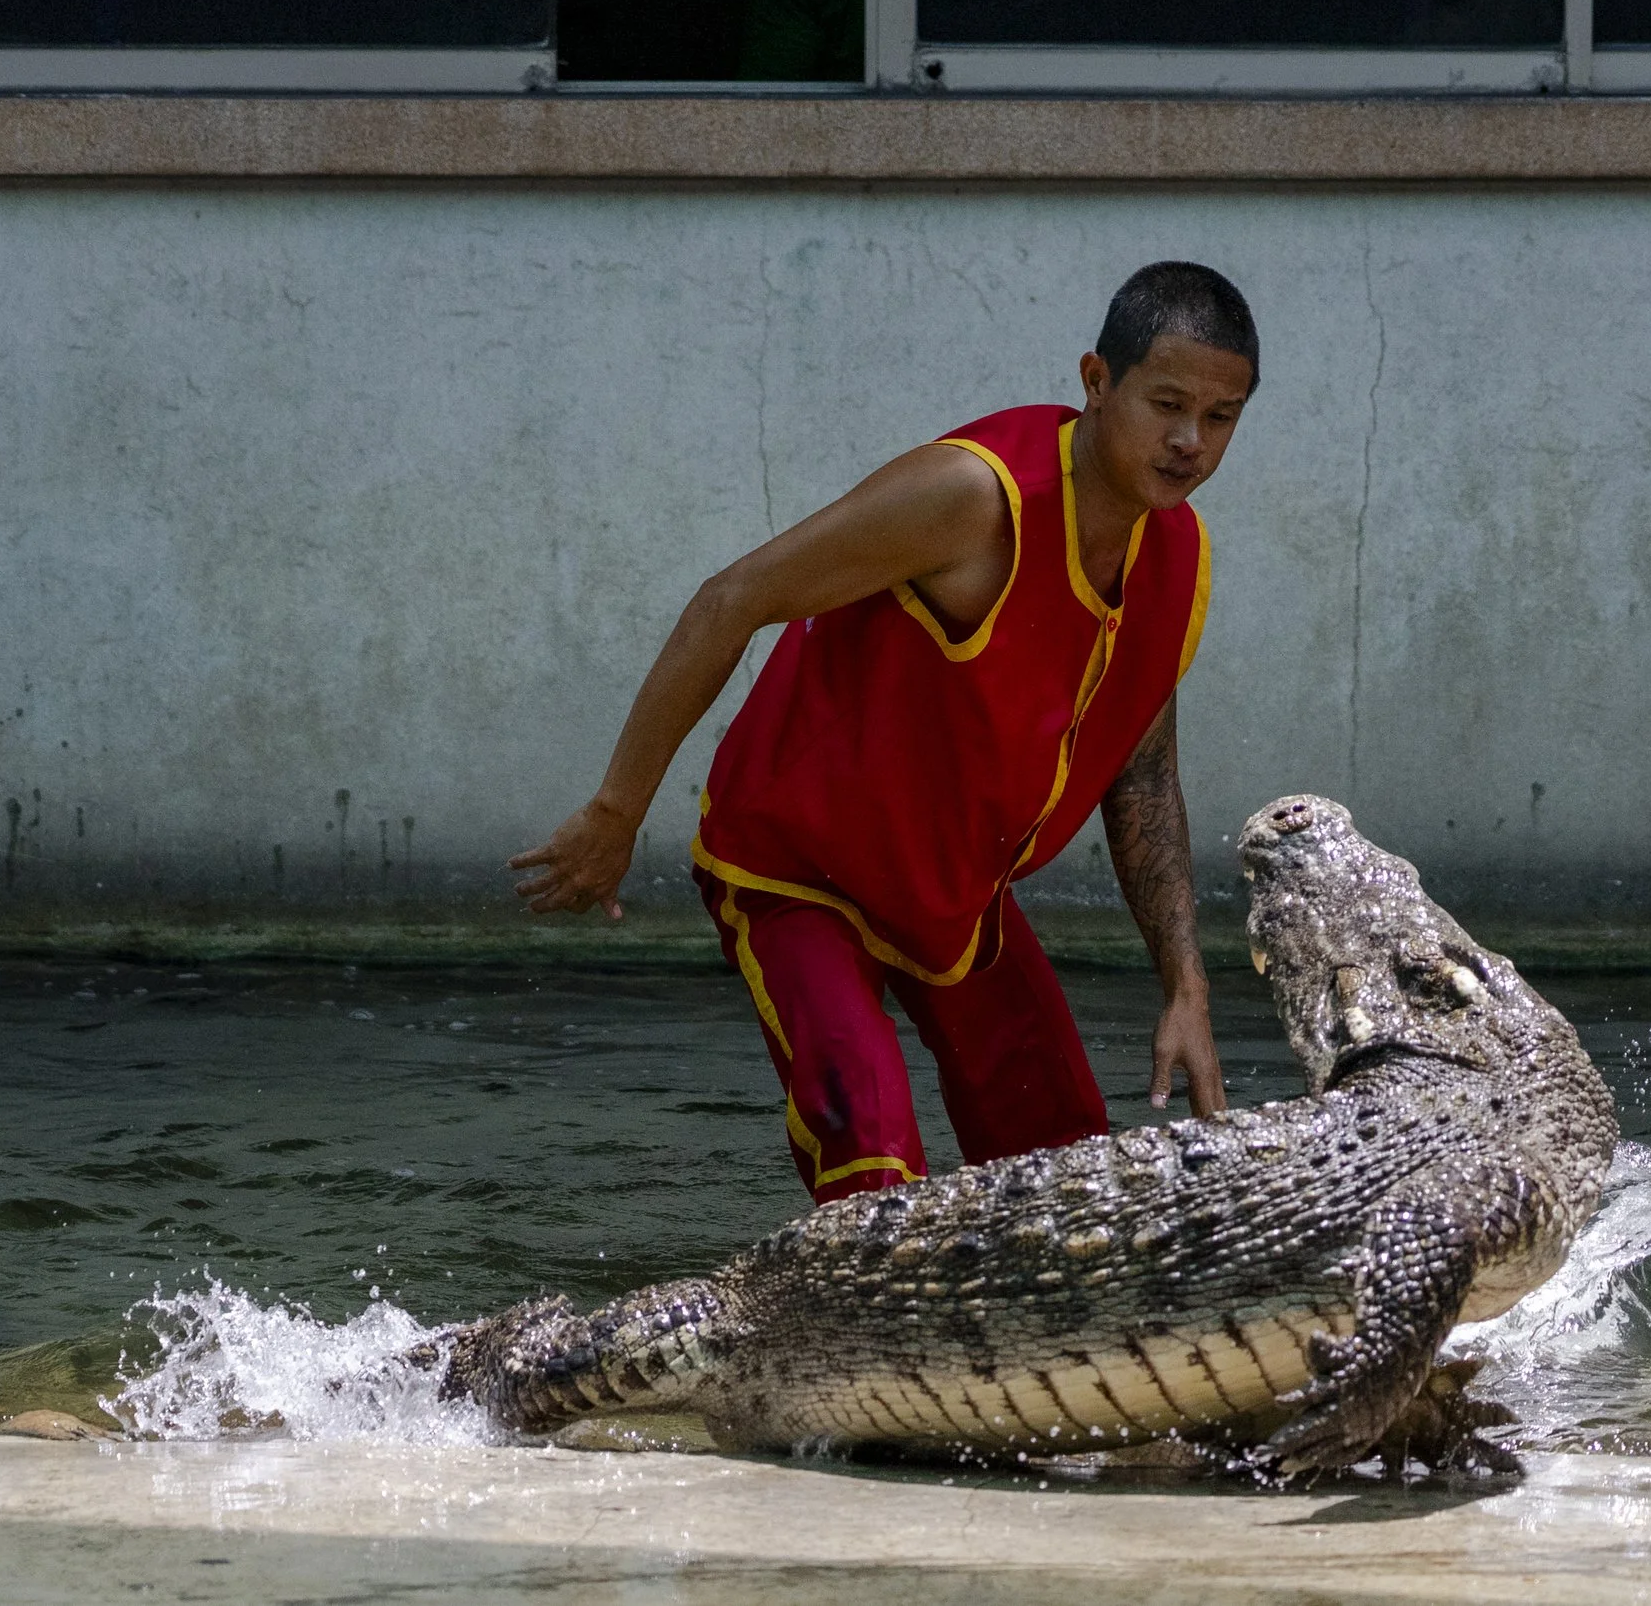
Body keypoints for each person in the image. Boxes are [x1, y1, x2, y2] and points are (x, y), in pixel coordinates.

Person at [510, 262, 1257, 1203]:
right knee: (875, 1185)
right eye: (1168, 403)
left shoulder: (1175, 559)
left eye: (1222, 416)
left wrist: (1186, 989)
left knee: (1076, 1185)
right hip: (798, 869)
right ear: (1096, 383)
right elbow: (731, 598)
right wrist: (618, 810)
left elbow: (1142, 781)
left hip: (952, 891)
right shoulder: (972, 498)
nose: (1190, 440)